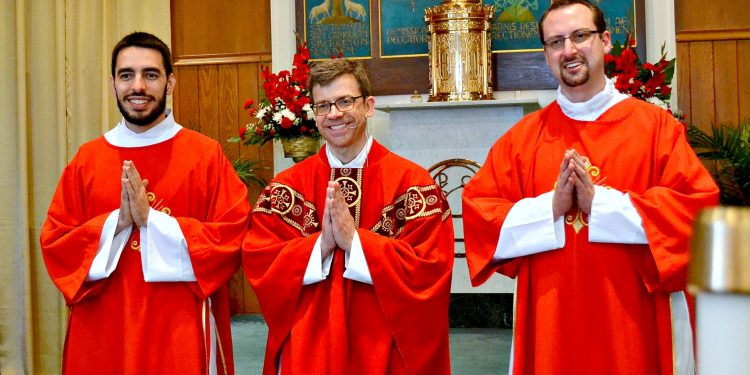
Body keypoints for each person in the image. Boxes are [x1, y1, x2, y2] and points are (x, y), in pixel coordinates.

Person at [462, 1, 719, 374]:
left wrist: (603, 205)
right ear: (546, 54)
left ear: (606, 40)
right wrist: (550, 207)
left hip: (632, 322)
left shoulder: (655, 129)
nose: (569, 50)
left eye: (580, 36)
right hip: (551, 323)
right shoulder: (522, 140)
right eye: (555, 42)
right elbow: (479, 215)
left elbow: (697, 214)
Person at [40, 31, 250, 375]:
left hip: (178, 327)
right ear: (112, 84)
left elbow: (231, 237)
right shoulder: (87, 160)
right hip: (103, 328)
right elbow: (56, 243)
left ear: (170, 82)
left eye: (150, 75)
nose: (138, 86)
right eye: (127, 75)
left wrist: (153, 221)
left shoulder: (204, 156)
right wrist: (117, 223)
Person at [242, 59, 454, 375]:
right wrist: (322, 245)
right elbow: (261, 260)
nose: (334, 114)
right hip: (311, 339)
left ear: (368, 106)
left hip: (386, 341)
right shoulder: (286, 188)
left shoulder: (412, 183)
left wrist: (356, 241)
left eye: (344, 101)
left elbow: (431, 268)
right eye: (323, 105)